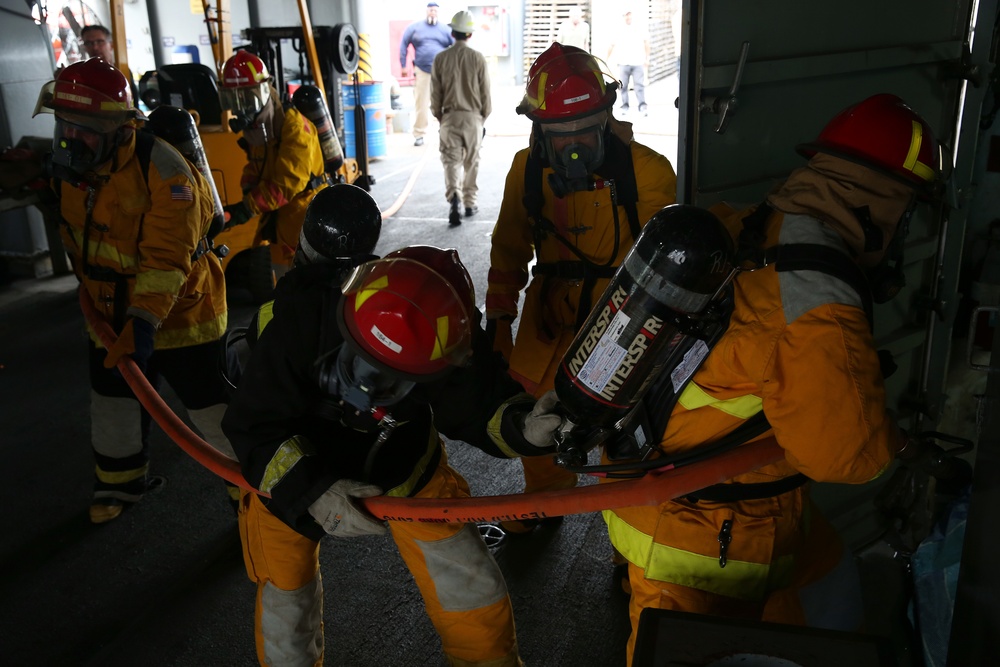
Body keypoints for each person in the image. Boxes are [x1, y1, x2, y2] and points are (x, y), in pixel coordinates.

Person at [535, 94, 943, 666]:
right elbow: (842, 458)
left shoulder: (742, 223)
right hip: (704, 539)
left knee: (829, 581)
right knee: (684, 649)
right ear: (889, 208)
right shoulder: (819, 302)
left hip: (669, 492)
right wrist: (887, 434)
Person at [222, 240, 561, 667]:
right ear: (347, 323)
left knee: (474, 595)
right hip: (293, 479)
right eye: (363, 363)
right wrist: (311, 490)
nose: (371, 390)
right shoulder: (300, 316)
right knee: (285, 610)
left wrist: (523, 426)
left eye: (394, 379)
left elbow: (477, 405)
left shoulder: (442, 337)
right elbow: (253, 424)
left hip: (406, 468)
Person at [32, 58, 237, 523]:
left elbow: (167, 259)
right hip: (107, 314)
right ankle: (119, 486)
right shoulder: (75, 167)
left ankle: (246, 492)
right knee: (112, 404)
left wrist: (143, 322)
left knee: (210, 410)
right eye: (65, 124)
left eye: (83, 128)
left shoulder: (166, 173)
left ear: (117, 128)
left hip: (185, 317)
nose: (71, 137)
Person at [485, 43, 677, 534]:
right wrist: (499, 318)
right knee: (541, 415)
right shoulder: (526, 169)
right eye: (558, 135)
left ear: (607, 117)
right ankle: (545, 505)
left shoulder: (648, 173)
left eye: (584, 133)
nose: (573, 148)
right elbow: (508, 249)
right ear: (537, 129)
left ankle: (630, 539)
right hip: (549, 320)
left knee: (627, 428)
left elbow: (671, 268)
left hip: (622, 320)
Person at [217, 50, 328, 283]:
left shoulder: (294, 127)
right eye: (233, 100)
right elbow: (255, 166)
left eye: (247, 98)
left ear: (265, 91)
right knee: (284, 291)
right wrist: (248, 188)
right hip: (279, 226)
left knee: (309, 292)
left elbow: (287, 185)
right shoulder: (260, 129)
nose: (241, 108)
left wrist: (246, 208)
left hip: (303, 223)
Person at [431, 10, 491, 226]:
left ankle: (453, 196)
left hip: (449, 118)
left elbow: (435, 95)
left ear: (453, 32)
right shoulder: (477, 58)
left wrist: (440, 117)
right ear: (470, 35)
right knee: (472, 161)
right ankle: (469, 202)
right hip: (473, 118)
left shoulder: (440, 58)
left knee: (451, 161)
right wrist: (482, 118)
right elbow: (486, 95)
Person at [399, 2, 454, 147]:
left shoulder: (445, 29)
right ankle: (419, 134)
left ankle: (445, 132)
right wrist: (403, 65)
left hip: (442, 71)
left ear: (438, 12)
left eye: (435, 10)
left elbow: (455, 47)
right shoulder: (415, 27)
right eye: (430, 10)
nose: (432, 13)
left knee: (445, 103)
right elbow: (403, 44)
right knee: (421, 103)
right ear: (426, 11)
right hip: (422, 70)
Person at [78, 24, 139, 103]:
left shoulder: (122, 71)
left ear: (111, 45)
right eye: (89, 43)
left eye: (100, 42)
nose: (95, 47)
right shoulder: (82, 76)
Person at [606, 11, 650, 117]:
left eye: (630, 15)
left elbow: (646, 42)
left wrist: (647, 58)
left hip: (637, 61)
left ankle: (642, 105)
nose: (628, 17)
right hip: (623, 62)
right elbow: (612, 45)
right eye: (626, 15)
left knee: (639, 85)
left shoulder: (639, 28)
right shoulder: (619, 29)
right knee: (623, 85)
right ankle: (625, 106)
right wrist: (607, 59)